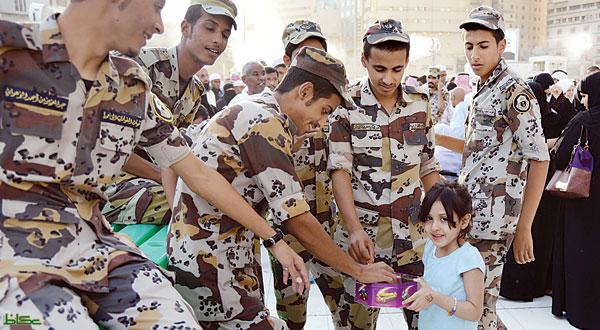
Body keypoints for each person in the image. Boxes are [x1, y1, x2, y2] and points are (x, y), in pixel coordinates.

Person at [0, 0, 308, 328]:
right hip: (15, 255)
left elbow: (195, 171)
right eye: (156, 7)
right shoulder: (12, 53)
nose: (160, 26)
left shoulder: (131, 84)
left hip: (97, 251)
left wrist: (274, 240)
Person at [167, 46, 396, 330]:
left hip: (223, 262)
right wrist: (359, 271)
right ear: (304, 91)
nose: (322, 122)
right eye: (324, 110)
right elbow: (297, 219)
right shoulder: (264, 123)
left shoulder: (258, 112)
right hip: (213, 270)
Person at [437, 6, 550, 329]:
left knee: (479, 308)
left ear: (501, 46)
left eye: (483, 45)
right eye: (469, 46)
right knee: (476, 303)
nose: (474, 54)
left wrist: (524, 227)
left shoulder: (514, 90)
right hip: (470, 214)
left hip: (495, 221)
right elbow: (480, 150)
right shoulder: (482, 90)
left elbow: (539, 158)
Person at [328, 19, 442, 330]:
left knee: (425, 319)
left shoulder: (420, 105)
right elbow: (339, 171)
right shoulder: (346, 105)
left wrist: (445, 221)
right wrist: (352, 230)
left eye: (397, 69)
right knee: (358, 322)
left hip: (414, 238)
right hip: (365, 241)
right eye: (379, 69)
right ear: (364, 60)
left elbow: (429, 167)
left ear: (406, 63)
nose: (388, 78)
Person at [101, 0, 235, 225]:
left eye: (225, 34)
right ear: (185, 28)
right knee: (202, 205)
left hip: (154, 183)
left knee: (223, 195)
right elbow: (108, 148)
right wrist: (169, 179)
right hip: (111, 185)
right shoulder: (139, 65)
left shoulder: (195, 91)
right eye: (209, 28)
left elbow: (175, 151)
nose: (217, 40)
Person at [268, 20, 341, 330]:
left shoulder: (334, 103)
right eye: (304, 54)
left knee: (349, 311)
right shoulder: (271, 112)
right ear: (288, 61)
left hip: (331, 230)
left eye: (319, 53)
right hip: (290, 233)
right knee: (292, 319)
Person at [500, 81, 562, 302]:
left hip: (524, 191)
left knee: (526, 237)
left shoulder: (521, 119)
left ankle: (517, 287)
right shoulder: (550, 118)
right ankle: (534, 286)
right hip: (543, 194)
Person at [551, 71, 600, 329]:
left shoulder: (584, 121)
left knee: (580, 255)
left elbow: (560, 157)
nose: (583, 100)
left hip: (583, 203)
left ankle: (581, 310)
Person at [405, 182, 485, 330]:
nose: (434, 227)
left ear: (464, 220)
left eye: (444, 219)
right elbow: (432, 283)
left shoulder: (468, 258)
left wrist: (434, 297)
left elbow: (475, 312)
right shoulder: (431, 247)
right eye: (429, 218)